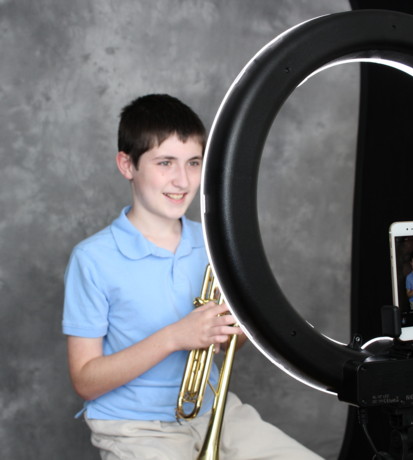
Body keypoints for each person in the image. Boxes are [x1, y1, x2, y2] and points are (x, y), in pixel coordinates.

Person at [62, 94, 323, 460]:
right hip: (135, 428)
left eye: (194, 163)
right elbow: (86, 381)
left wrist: (235, 331)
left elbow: (229, 342)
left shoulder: (214, 242)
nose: (182, 180)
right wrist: (175, 336)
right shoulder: (92, 259)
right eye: (165, 163)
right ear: (127, 165)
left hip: (217, 413)